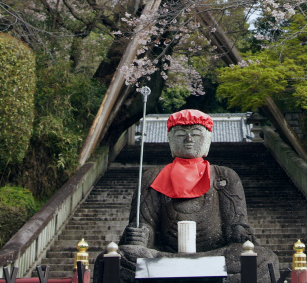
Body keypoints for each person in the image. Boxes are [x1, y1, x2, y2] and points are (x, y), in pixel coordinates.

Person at [97, 109, 279, 283]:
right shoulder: (151, 177)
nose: (189, 139)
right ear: (169, 139)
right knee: (114, 258)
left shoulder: (225, 176)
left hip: (215, 254)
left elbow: (237, 225)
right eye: (180, 134)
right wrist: (141, 234)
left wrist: (239, 233)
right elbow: (145, 225)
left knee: (264, 259)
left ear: (208, 139)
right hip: (164, 255)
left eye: (196, 134)